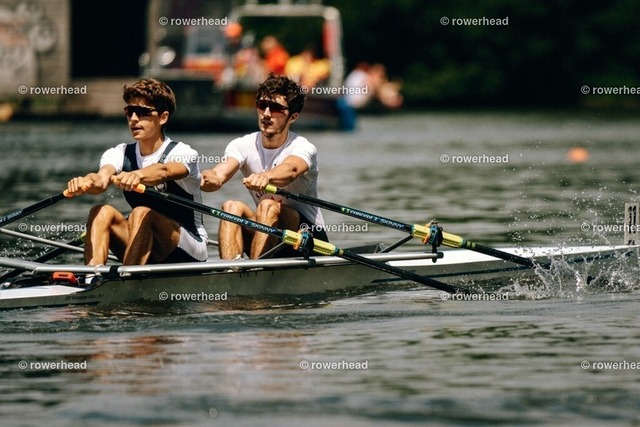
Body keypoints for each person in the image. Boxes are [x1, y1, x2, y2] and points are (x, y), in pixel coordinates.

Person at [66, 78, 208, 269]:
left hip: (189, 247)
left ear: (163, 117)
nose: (133, 119)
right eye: (129, 111)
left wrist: (137, 175)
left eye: (142, 112)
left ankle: (127, 278)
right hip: (144, 243)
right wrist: (86, 182)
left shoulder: (183, 152)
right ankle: (92, 276)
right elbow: (101, 179)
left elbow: (164, 171)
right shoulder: (120, 152)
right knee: (101, 212)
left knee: (141, 212)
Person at [201, 73, 327, 259]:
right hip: (269, 230)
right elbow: (219, 175)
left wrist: (266, 176)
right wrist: (206, 179)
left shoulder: (303, 147)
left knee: (268, 205)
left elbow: (291, 170)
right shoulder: (242, 145)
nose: (266, 114)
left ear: (293, 117)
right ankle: (230, 270)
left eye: (276, 108)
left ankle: (255, 267)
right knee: (231, 207)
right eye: (262, 105)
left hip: (308, 235)